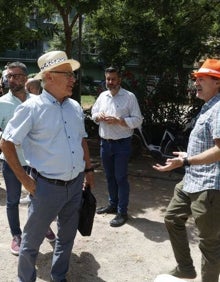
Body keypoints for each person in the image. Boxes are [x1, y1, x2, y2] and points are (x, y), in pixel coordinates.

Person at [0, 50, 94, 282]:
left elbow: (81, 140)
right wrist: (26, 181)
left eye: (73, 75)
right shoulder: (31, 108)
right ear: (49, 77)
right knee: (31, 242)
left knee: (67, 238)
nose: (73, 79)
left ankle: (59, 277)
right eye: (68, 74)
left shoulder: (73, 107)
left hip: (74, 186)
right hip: (46, 188)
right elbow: (6, 143)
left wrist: (88, 170)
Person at [153, 58, 220, 282]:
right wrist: (186, 157)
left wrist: (187, 161)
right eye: (195, 79)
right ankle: (185, 269)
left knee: (209, 243)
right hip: (192, 178)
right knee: (172, 218)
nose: (196, 84)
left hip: (209, 185)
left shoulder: (219, 107)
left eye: (201, 79)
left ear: (217, 82)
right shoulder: (208, 106)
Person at [0, 61, 56, 256]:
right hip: (11, 162)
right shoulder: (2, 104)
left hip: (37, 161)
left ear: (25, 78)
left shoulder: (37, 100)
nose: (11, 80)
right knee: (13, 200)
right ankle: (17, 235)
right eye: (9, 76)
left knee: (39, 198)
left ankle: (43, 226)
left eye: (16, 76)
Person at [92, 66, 142, 227]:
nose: (110, 82)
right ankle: (112, 205)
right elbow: (93, 113)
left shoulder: (129, 97)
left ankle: (122, 212)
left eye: (113, 79)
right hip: (105, 144)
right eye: (108, 79)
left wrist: (120, 121)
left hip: (122, 144)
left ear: (119, 80)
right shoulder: (102, 96)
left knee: (120, 178)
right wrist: (97, 116)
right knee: (109, 177)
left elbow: (138, 120)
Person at [20, 78, 42, 205]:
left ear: (32, 89)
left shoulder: (31, 103)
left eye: (26, 87)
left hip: (35, 148)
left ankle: (34, 197)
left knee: (35, 173)